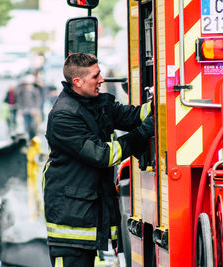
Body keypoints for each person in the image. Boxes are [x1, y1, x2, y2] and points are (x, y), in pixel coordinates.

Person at [43, 53, 154, 267]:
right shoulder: (64, 116)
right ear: (78, 81)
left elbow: (133, 116)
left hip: (85, 212)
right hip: (71, 224)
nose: (101, 79)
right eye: (96, 76)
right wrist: (140, 135)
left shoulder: (94, 104)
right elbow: (102, 155)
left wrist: (162, 105)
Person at [15, 75, 42, 140]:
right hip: (25, 109)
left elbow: (38, 100)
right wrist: (20, 108)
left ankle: (34, 137)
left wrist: (35, 109)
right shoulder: (21, 91)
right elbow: (19, 100)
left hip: (33, 110)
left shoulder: (35, 90)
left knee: (33, 125)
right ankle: (29, 138)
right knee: (26, 125)